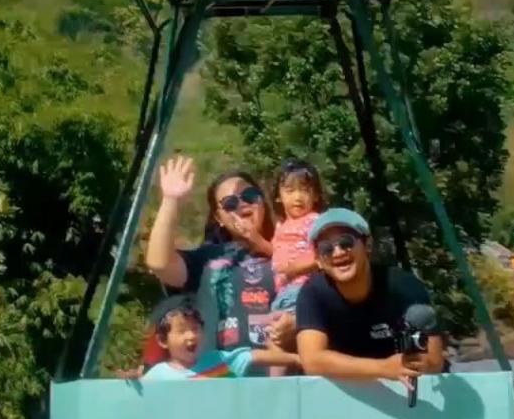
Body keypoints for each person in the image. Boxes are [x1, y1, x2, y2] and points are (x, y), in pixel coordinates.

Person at [143, 157, 291, 364]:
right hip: (217, 378)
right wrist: (171, 200)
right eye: (230, 203)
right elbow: (159, 262)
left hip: (286, 379)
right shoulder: (206, 257)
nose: (242, 203)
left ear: (262, 203)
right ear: (219, 218)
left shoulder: (294, 248)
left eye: (249, 195)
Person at [294, 208, 445, 383]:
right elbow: (312, 361)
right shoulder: (312, 293)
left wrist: (417, 363)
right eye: (326, 248)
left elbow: (434, 361)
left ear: (368, 245)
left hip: (406, 392)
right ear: (318, 260)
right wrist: (383, 368)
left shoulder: (404, 286)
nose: (338, 252)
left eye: (346, 242)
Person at [143, 298, 299, 380]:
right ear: (163, 340)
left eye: (195, 329)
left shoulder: (219, 360)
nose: (191, 335)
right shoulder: (158, 376)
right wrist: (131, 382)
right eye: (182, 331)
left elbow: (253, 356)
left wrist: (297, 359)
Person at [269, 158, 327, 313]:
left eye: (305, 190)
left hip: (304, 288)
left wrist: (292, 269)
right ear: (278, 196)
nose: (298, 197)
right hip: (283, 293)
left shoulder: (314, 221)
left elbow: (322, 254)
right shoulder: (281, 226)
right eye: (290, 191)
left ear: (315, 195)